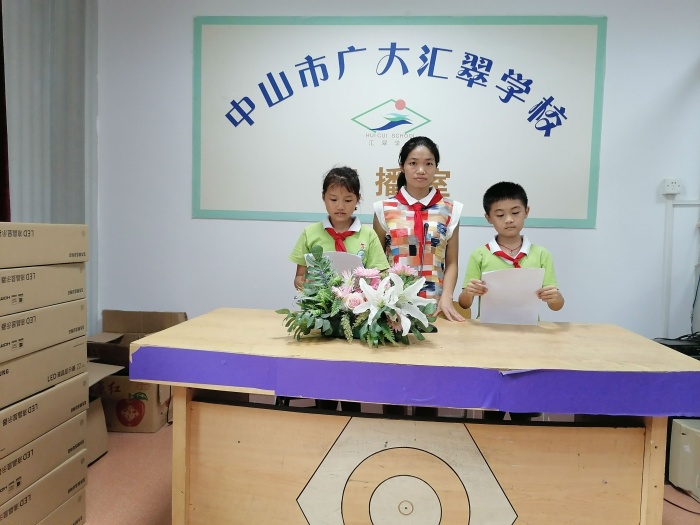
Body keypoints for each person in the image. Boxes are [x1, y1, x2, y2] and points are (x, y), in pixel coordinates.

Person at [373, 136, 464, 417]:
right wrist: (382, 301)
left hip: (434, 307)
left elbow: (451, 261)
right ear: (402, 166)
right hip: (394, 308)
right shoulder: (383, 208)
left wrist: (447, 297)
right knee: (393, 383)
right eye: (413, 163)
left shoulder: (451, 209)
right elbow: (376, 261)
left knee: (430, 383)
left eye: (428, 163)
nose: (421, 170)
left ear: (436, 167)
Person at [458, 181, 564, 421]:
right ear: (488, 218)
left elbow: (556, 305)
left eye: (515, 212)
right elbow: (464, 303)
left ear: (527, 211)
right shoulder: (480, 254)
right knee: (491, 407)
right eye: (500, 215)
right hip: (488, 337)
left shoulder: (541, 254)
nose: (508, 220)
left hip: (529, 337)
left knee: (523, 406)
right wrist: (470, 292)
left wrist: (556, 297)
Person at [289, 165, 389, 412]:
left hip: (357, 318)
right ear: (324, 198)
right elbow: (299, 277)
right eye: (333, 199)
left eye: (348, 200)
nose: (340, 206)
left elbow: (381, 276)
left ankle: (352, 420)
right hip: (321, 317)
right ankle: (325, 419)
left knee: (352, 380)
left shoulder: (368, 235)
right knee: (324, 379)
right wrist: (307, 286)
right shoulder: (310, 233)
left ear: (357, 200)